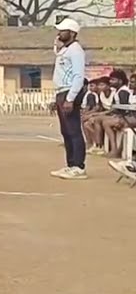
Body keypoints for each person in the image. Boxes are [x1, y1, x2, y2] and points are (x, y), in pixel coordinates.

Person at [49, 18, 87, 179]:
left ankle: (78, 166)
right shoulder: (64, 50)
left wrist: (70, 99)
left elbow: (78, 76)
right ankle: (70, 164)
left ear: (71, 33)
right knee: (66, 131)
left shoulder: (76, 50)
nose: (59, 33)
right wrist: (55, 97)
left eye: (62, 31)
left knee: (73, 130)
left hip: (69, 92)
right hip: (61, 91)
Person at [91, 69, 136, 160]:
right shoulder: (130, 93)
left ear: (120, 81)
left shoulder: (123, 92)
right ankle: (101, 146)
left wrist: (121, 118)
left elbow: (124, 109)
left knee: (106, 122)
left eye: (133, 82)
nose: (130, 84)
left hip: (131, 117)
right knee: (101, 121)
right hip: (128, 116)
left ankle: (114, 149)